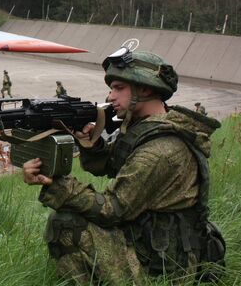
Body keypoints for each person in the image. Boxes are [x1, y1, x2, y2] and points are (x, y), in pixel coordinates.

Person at [22, 48, 224, 284]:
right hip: (151, 242)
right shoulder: (146, 127)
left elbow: (113, 209)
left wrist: (56, 185)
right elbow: (113, 162)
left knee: (66, 223)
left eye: (119, 88)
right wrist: (92, 143)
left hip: (164, 268)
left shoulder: (161, 150)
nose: (110, 97)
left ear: (145, 89)